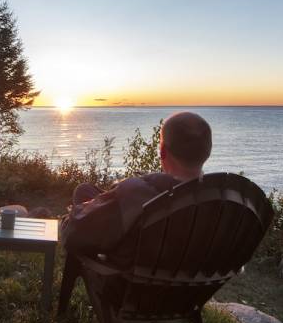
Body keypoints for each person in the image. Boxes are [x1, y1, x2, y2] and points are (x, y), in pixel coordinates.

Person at [61, 111, 212, 268]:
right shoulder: (221, 201)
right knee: (85, 190)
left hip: (126, 284)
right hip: (186, 283)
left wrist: (67, 221)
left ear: (163, 152)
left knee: (85, 207)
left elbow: (72, 236)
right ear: (207, 152)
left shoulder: (138, 194)